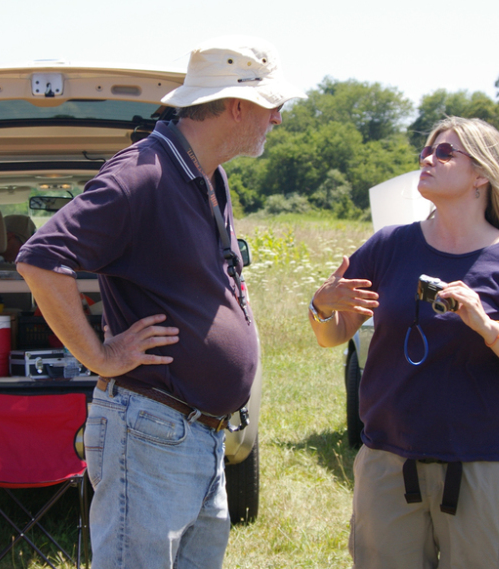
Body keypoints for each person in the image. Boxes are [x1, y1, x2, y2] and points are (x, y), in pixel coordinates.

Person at [16, 36, 305, 568]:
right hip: (153, 433)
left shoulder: (208, 175)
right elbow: (41, 260)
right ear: (238, 106)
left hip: (198, 434)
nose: (278, 120)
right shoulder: (143, 173)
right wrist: (99, 358)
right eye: (273, 107)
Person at [309, 117, 499, 568]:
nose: (428, 159)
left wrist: (489, 328)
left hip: (483, 464)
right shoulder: (390, 245)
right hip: (389, 462)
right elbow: (334, 335)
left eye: (445, 153)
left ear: (482, 174)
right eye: (427, 151)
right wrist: (322, 306)